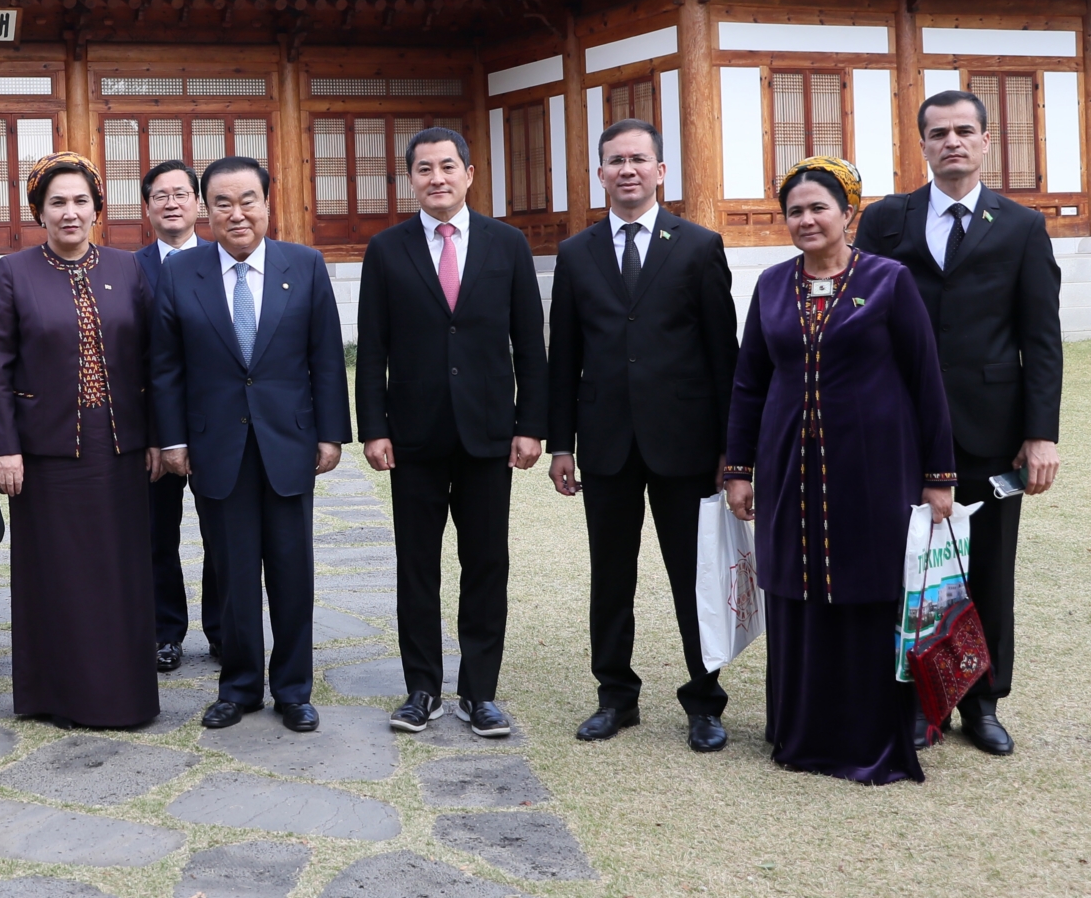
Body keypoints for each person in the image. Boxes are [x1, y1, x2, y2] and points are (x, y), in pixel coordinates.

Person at [725, 157, 957, 785]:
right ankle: (801, 732)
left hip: (876, 465)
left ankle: (871, 735)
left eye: (818, 208)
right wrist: (739, 468)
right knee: (797, 590)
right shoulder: (772, 285)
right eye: (794, 210)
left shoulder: (889, 280)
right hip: (787, 462)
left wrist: (939, 477)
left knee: (868, 586)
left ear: (848, 213)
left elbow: (924, 378)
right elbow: (749, 381)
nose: (805, 219)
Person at [853, 89, 1063, 755]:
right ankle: (917, 698)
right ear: (922, 144)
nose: (952, 142)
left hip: (989, 427)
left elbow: (1042, 338)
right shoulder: (887, 220)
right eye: (938, 132)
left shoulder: (1022, 226)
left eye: (964, 131)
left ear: (985, 140)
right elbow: (860, 322)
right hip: (898, 425)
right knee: (907, 567)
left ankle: (983, 702)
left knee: (988, 571)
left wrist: (1041, 433)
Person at [546, 118, 739, 753]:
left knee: (694, 576)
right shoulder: (576, 254)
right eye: (614, 160)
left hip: (685, 444)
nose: (627, 169)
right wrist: (562, 443)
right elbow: (563, 357)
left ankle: (704, 700)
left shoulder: (699, 245)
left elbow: (723, 355)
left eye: (639, 159)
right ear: (599, 173)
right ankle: (615, 695)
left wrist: (730, 451)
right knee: (611, 576)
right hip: (605, 443)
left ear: (661, 172)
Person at [151, 155, 352, 734]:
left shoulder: (305, 265)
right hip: (216, 447)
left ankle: (293, 688)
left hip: (288, 443)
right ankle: (238, 686)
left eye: (248, 201)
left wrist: (331, 433)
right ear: (204, 209)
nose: (236, 214)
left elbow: (325, 358)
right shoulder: (181, 271)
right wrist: (173, 440)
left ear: (268, 203)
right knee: (234, 574)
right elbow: (166, 367)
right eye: (222, 203)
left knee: (293, 572)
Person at [356, 127, 546, 737]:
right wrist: (374, 429)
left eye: (447, 167)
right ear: (410, 179)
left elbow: (529, 345)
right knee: (417, 564)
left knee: (487, 561)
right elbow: (372, 347)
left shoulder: (507, 244)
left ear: (469, 173)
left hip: (489, 433)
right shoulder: (386, 249)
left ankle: (479, 691)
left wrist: (530, 425)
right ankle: (421, 688)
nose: (436, 178)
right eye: (423, 169)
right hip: (413, 435)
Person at [0, 153, 161, 729]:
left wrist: (158, 437)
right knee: (55, 575)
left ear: (97, 207)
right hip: (46, 453)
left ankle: (122, 696)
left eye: (80, 200)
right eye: (57, 201)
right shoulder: (14, 271)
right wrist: (4, 447)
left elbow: (152, 360)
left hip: (120, 448)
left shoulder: (128, 268)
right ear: (39, 210)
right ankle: (54, 694)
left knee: (120, 571)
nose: (70, 212)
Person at [135, 158, 225, 675]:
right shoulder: (128, 268)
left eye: (180, 194)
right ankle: (163, 632)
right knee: (155, 534)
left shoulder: (224, 259)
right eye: (160, 196)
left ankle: (221, 629)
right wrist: (151, 433)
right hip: (154, 431)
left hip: (217, 422)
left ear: (198, 203)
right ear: (147, 208)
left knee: (222, 533)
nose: (171, 203)